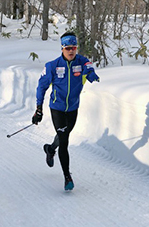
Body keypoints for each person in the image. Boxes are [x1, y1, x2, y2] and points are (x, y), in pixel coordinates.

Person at [32, 32, 100, 191]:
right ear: (62, 48)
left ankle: (50, 149)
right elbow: (41, 87)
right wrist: (39, 109)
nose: (71, 51)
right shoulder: (52, 66)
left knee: (64, 135)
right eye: (68, 48)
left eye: (74, 48)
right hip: (57, 108)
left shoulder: (82, 61)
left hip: (73, 108)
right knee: (64, 142)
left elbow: (89, 69)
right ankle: (67, 176)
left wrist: (91, 75)